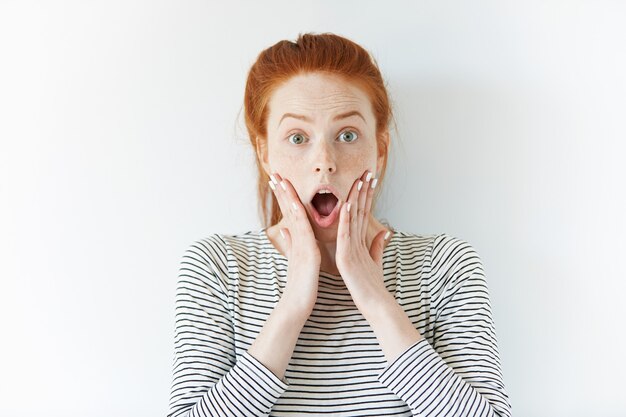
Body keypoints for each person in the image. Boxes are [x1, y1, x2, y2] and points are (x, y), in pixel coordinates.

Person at [167, 32, 512, 417]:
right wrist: (293, 305)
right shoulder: (218, 267)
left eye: (347, 135)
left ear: (379, 149)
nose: (325, 161)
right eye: (297, 137)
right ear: (265, 153)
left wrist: (376, 302)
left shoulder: (444, 264)